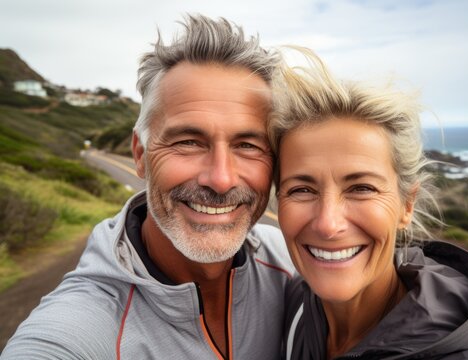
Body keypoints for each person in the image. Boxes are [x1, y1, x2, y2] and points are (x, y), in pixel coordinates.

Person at [1, 15, 294, 359]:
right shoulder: (83, 325)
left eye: (248, 145)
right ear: (140, 154)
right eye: (187, 141)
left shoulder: (291, 260)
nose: (221, 179)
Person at [268, 48, 468, 359]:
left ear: (407, 205)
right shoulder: (295, 305)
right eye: (301, 190)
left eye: (361, 188)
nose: (328, 223)